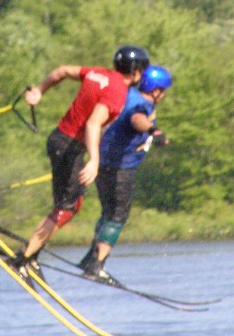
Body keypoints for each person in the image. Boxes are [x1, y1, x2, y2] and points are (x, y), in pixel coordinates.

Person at [8, 45, 151, 281]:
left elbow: (63, 71)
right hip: (69, 148)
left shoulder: (98, 73)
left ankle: (31, 255)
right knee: (67, 208)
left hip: (59, 141)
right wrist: (94, 160)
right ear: (135, 71)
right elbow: (93, 124)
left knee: (71, 204)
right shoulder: (117, 92)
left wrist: (40, 91)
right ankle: (22, 259)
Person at [78, 64, 173, 283]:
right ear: (156, 89)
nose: (164, 95)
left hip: (102, 163)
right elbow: (136, 119)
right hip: (120, 168)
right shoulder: (143, 105)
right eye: (163, 90)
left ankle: (90, 259)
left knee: (108, 212)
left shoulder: (128, 94)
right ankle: (97, 266)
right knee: (118, 215)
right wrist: (153, 130)